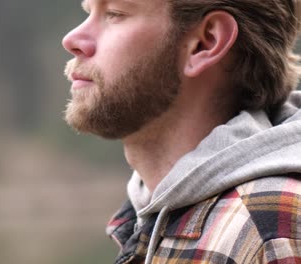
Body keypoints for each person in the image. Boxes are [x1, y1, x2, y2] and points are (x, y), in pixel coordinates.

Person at [61, 0, 301, 263]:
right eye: (89, 12)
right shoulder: (149, 214)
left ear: (206, 42)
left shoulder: (265, 229)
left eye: (115, 14)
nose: (72, 39)